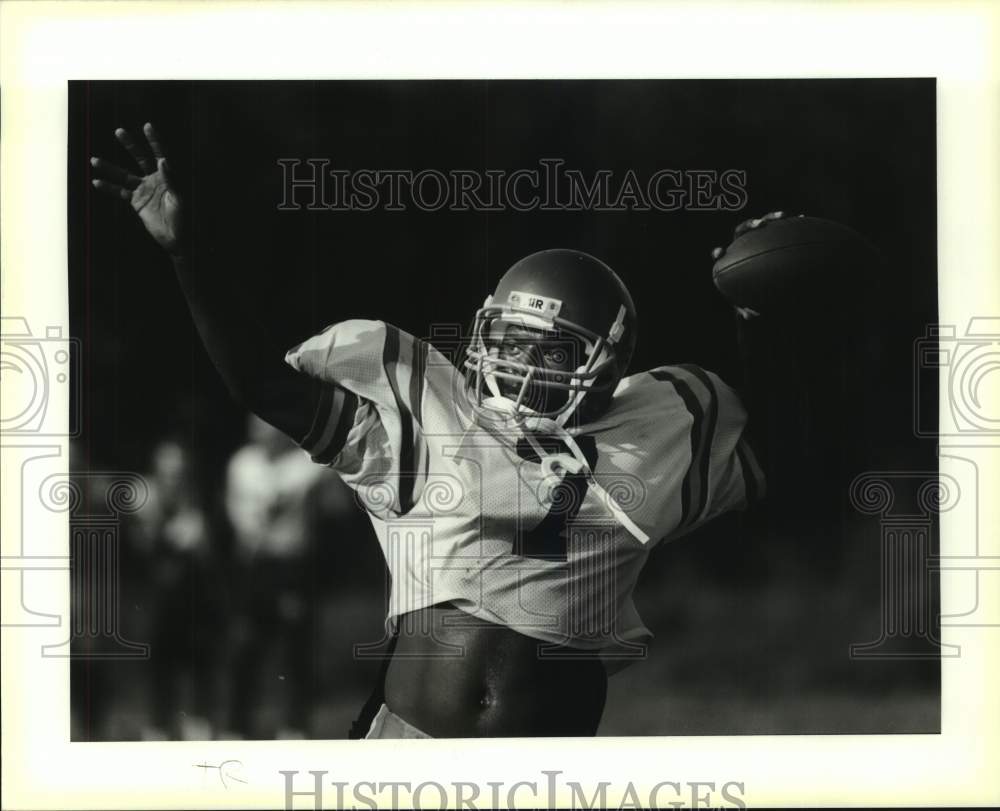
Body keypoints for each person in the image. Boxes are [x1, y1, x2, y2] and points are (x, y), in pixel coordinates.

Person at [92, 123, 776, 738]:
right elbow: (262, 385)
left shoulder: (656, 425)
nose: (520, 361)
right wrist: (187, 254)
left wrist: (765, 314)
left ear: (605, 358)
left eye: (550, 349)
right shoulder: (425, 410)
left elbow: (783, 450)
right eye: (511, 339)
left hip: (550, 760)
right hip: (410, 744)